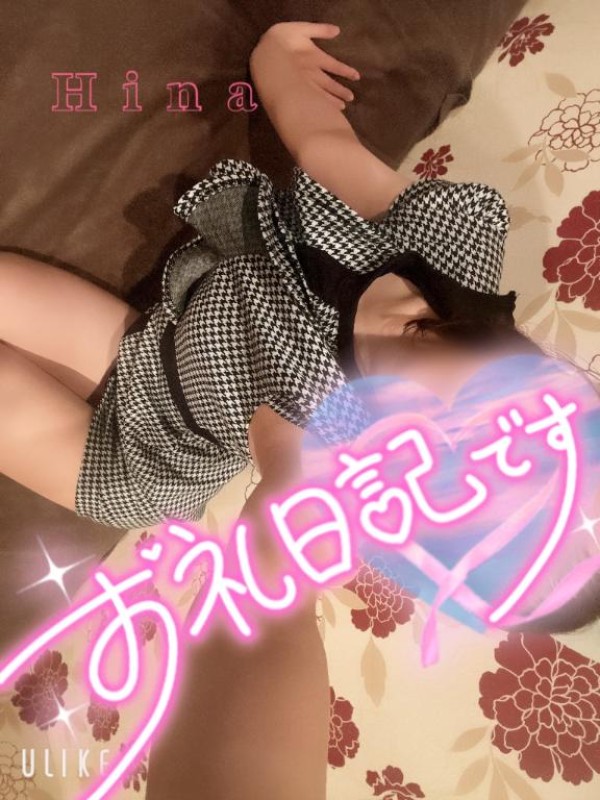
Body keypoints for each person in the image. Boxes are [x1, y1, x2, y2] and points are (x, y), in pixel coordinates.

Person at [0, 21, 598, 799]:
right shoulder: (443, 251)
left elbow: (275, 557)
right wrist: (278, 68)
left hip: (154, 455)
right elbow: (324, 144)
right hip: (148, 340)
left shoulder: (330, 465)